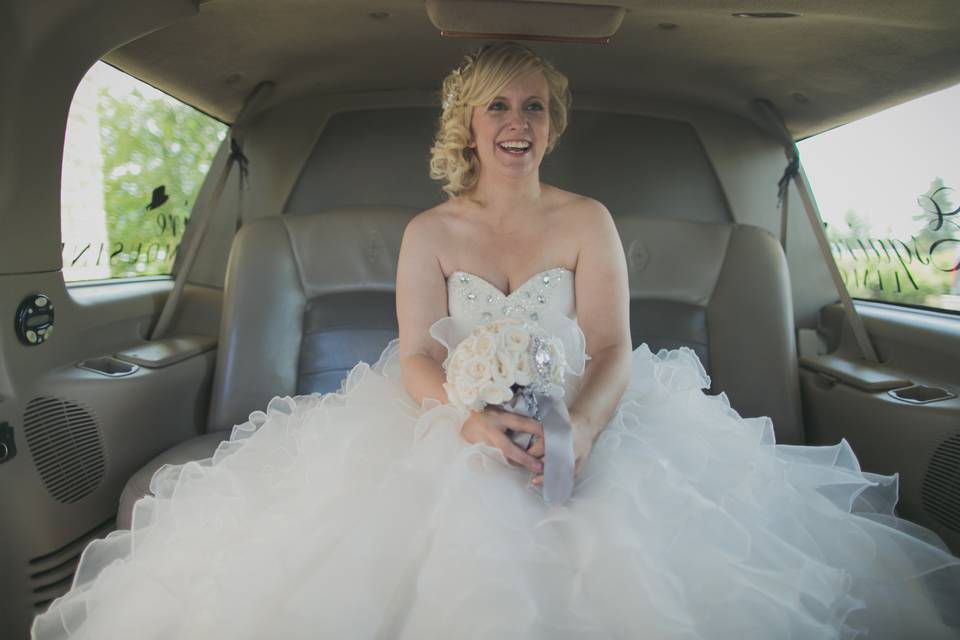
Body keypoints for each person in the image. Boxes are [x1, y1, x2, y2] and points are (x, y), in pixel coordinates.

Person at [32, 42, 960, 640]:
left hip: (590, 417)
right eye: (497, 109)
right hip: (448, 423)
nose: (517, 124)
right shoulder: (429, 234)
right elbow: (420, 358)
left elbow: (610, 346)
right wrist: (469, 425)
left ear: (552, 125)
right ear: (468, 127)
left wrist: (586, 430)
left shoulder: (589, 221)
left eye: (534, 108)